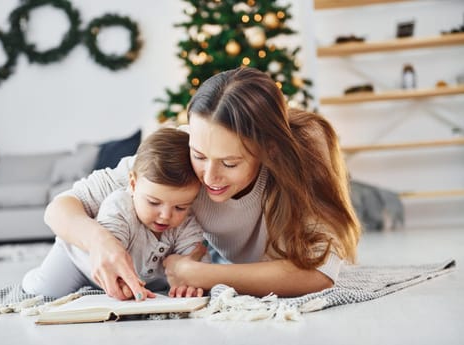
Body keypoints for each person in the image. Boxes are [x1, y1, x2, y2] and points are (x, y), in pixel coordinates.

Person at [44, 66, 361, 300]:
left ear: (269, 150)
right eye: (199, 155)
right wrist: (101, 242)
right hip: (227, 262)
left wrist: (201, 274)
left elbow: (319, 274)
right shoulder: (179, 150)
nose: (208, 177)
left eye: (230, 163)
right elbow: (60, 208)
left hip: (241, 266)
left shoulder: (303, 153)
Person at [22, 128, 210, 299]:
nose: (165, 216)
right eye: (153, 202)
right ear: (133, 184)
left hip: (147, 276)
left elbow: (197, 266)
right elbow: (111, 261)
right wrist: (125, 285)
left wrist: (190, 283)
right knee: (43, 291)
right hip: (78, 262)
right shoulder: (120, 205)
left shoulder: (187, 222)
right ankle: (33, 276)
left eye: (180, 207)